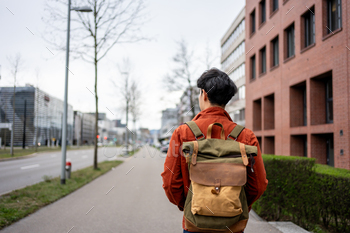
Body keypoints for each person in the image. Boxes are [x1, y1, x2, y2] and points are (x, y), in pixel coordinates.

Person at [161, 68, 268, 233]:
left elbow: (170, 183)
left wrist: (191, 204)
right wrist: (232, 205)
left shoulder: (182, 133)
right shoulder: (246, 136)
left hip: (194, 223)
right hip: (232, 225)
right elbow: (258, 185)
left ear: (203, 94)